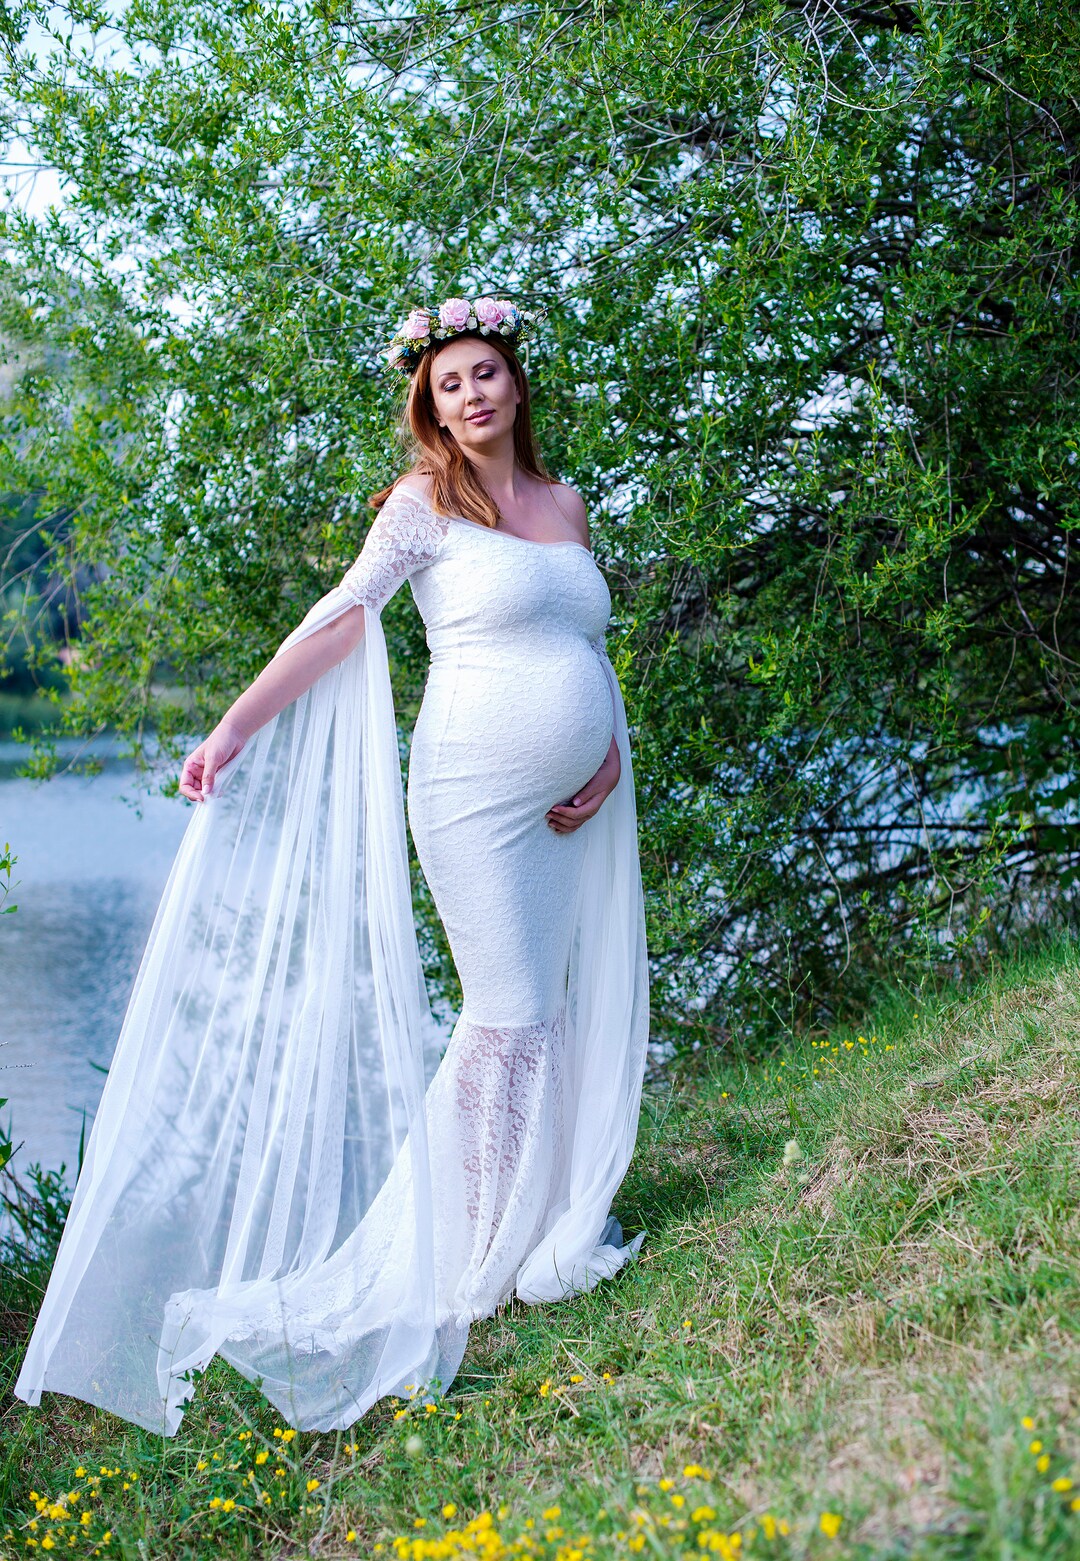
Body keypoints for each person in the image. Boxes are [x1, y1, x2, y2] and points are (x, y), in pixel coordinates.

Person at [15, 297, 650, 1435]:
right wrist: (232, 727)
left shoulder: (566, 505)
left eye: (487, 373)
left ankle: (529, 1218)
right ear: (431, 407)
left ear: (516, 384)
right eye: (451, 383)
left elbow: (584, 645)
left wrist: (606, 751)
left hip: (571, 800)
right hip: (471, 793)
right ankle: (465, 1259)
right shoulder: (423, 507)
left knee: (542, 1009)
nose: (473, 395)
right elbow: (342, 619)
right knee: (504, 1012)